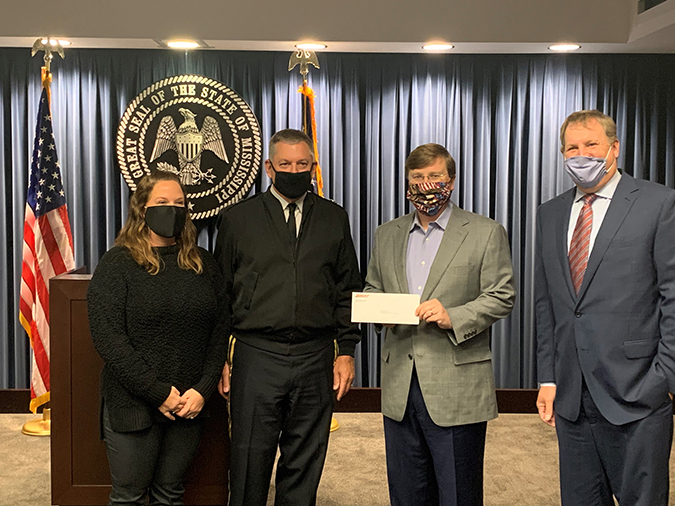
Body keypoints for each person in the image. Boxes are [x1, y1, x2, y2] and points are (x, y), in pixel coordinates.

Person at [214, 129, 362, 506]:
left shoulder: (334, 218)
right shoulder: (237, 220)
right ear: (269, 168)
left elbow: (348, 290)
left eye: (302, 164)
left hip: (316, 356)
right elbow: (220, 295)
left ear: (313, 166)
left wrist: (346, 350)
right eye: (285, 164)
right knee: (249, 461)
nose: (294, 171)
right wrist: (220, 359)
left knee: (305, 461)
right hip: (256, 354)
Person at [535, 110, 675, 505]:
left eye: (591, 145)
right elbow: (548, 304)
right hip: (571, 399)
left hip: (638, 394)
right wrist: (548, 377)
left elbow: (673, 296)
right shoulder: (551, 213)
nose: (582, 155)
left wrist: (663, 379)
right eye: (572, 148)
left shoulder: (659, 204)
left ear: (614, 148)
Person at [364, 143, 515, 506]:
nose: (426, 184)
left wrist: (455, 316)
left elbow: (501, 295)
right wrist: (378, 312)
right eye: (417, 177)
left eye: (434, 176)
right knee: (406, 492)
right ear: (406, 182)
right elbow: (372, 287)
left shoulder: (485, 231)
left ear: (451, 180)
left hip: (457, 385)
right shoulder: (387, 234)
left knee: (458, 493)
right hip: (400, 384)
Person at [87, 171, 229, 506]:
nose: (172, 210)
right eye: (162, 203)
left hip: (189, 405)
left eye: (179, 203)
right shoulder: (118, 264)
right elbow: (109, 339)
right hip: (134, 403)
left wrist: (203, 389)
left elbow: (220, 327)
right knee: (130, 496)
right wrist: (158, 393)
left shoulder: (202, 263)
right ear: (141, 209)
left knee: (170, 494)